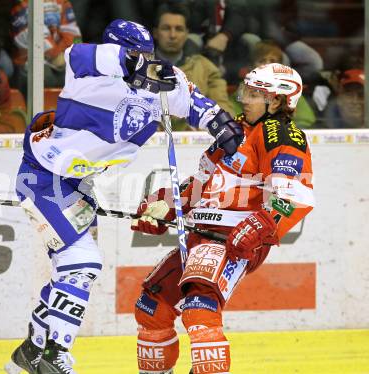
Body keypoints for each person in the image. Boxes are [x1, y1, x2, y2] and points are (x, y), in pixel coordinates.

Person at [5, 19, 243, 374]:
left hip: (80, 184)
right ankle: (53, 359)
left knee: (69, 272)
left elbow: (195, 101)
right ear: (116, 49)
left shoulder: (160, 80)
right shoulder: (86, 71)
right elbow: (80, 55)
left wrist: (218, 121)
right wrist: (131, 62)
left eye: (147, 54)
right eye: (135, 54)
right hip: (43, 177)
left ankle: (32, 351)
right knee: (83, 262)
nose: (144, 60)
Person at [131, 63, 315, 374]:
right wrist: (165, 205)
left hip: (230, 239)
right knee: (152, 307)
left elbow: (294, 195)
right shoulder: (236, 132)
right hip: (200, 234)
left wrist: (262, 223)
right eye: (246, 90)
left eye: (255, 94)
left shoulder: (280, 132)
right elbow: (203, 183)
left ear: (277, 101)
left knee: (199, 308)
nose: (244, 98)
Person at [153, 2, 234, 130]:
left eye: (179, 29)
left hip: (196, 143)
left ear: (186, 34)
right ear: (156, 33)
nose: (172, 35)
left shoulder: (205, 68)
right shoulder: (138, 66)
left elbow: (224, 112)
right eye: (166, 28)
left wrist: (199, 128)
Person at [231, 40, 317, 129]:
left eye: (272, 61)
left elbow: (305, 120)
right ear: (251, 66)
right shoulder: (242, 92)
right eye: (262, 61)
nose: (267, 64)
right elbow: (234, 119)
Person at [10, 0, 82, 95]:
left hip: (60, 57)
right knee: (46, 77)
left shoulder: (62, 2)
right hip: (30, 59)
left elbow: (72, 32)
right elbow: (29, 33)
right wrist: (56, 55)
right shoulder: (22, 3)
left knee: (80, 73)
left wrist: (68, 54)